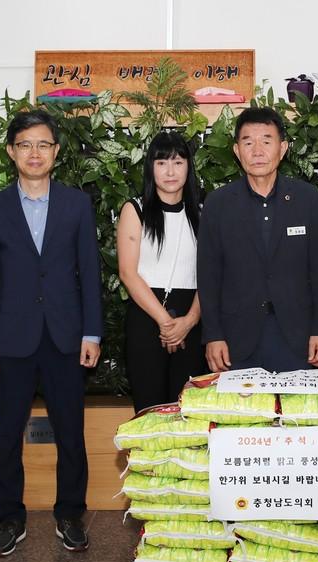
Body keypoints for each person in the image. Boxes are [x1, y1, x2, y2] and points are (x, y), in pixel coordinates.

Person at [0, 109, 103, 557]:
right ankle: (9, 519)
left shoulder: (76, 205)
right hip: (12, 340)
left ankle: (70, 515)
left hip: (66, 337)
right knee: (7, 436)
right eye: (25, 144)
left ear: (56, 152)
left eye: (43, 144)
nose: (34, 153)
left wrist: (92, 333)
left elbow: (89, 272)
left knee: (71, 434)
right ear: (11, 152)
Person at [197, 107, 318, 373]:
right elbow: (208, 276)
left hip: (296, 335)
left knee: (294, 402)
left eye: (266, 141)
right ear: (237, 151)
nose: (257, 151)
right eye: (248, 142)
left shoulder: (307, 199)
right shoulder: (218, 204)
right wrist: (213, 334)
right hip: (236, 338)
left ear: (282, 148)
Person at [117, 131, 205, 411]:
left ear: (188, 167)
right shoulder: (135, 209)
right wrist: (166, 322)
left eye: (178, 162)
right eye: (162, 163)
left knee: (188, 410)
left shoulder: (203, 211)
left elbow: (212, 273)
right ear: (150, 168)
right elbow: (128, 273)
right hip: (147, 316)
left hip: (192, 317)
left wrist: (189, 321)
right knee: (149, 410)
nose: (170, 171)